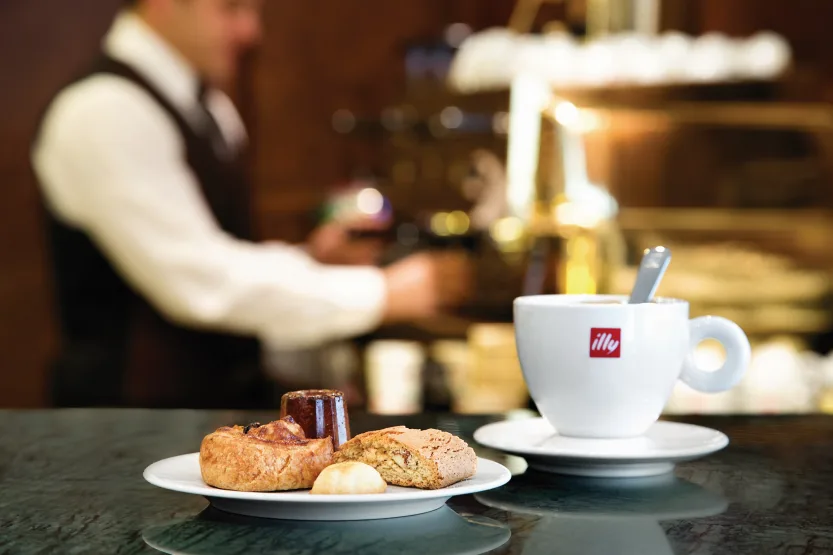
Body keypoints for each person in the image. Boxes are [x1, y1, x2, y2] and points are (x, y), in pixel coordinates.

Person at [32, 0, 470, 408]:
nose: (250, 31)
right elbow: (199, 283)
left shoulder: (208, 105)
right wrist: (381, 293)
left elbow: (217, 253)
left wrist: (310, 261)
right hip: (129, 423)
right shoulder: (104, 111)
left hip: (208, 409)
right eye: (231, 7)